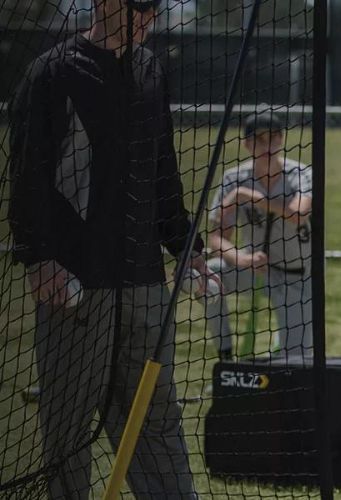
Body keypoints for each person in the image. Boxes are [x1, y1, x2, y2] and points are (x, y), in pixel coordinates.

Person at [8, 0, 214, 497]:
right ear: (106, 3)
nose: (150, 16)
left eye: (156, 7)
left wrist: (185, 244)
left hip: (144, 284)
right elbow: (27, 176)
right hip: (77, 285)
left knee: (157, 417)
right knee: (69, 431)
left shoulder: (149, 69)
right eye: (140, 7)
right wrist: (38, 260)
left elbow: (163, 166)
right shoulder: (53, 73)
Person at [205, 112, 314, 361]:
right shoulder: (234, 179)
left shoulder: (300, 173)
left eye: (274, 138)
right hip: (257, 270)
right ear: (246, 144)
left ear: (282, 140)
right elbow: (217, 238)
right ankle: (225, 359)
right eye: (259, 140)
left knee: (296, 362)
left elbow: (299, 214)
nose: (268, 146)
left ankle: (283, 341)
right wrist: (242, 260)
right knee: (207, 277)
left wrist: (252, 198)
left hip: (297, 276)